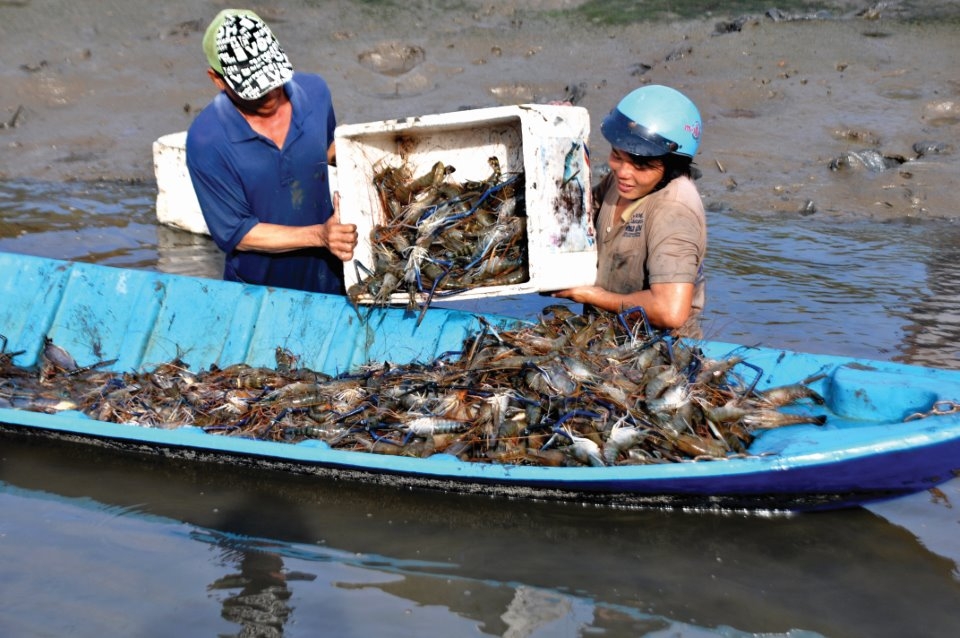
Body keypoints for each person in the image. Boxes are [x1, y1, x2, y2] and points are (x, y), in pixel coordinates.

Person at [186, 9, 358, 294]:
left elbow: (324, 152)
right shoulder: (207, 140)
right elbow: (239, 233)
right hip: (257, 292)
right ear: (217, 79)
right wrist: (320, 235)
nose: (270, 93)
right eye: (254, 86)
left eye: (272, 76)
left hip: (330, 277)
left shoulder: (316, 93)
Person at [553, 85, 707, 337]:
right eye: (617, 155)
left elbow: (670, 311)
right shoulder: (624, 183)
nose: (623, 172)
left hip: (658, 352)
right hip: (603, 338)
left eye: (641, 164)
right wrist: (560, 134)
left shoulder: (674, 210)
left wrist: (595, 296)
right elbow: (573, 216)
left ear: (671, 165)